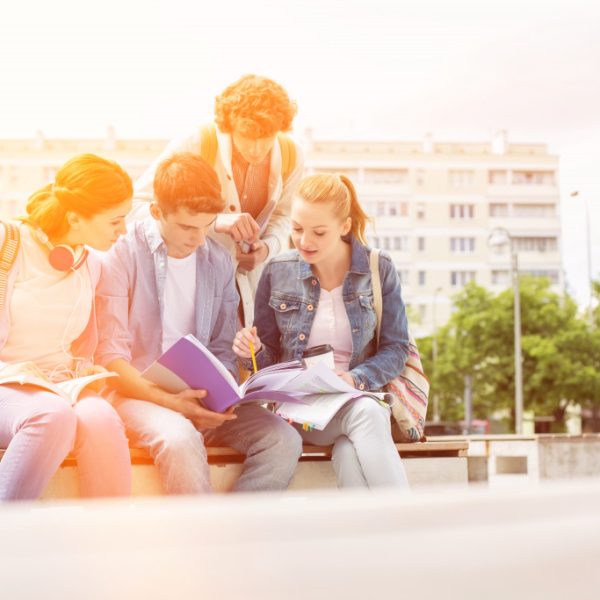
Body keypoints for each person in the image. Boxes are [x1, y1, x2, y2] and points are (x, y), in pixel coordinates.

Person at [95, 152, 302, 494]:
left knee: (283, 440)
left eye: (207, 226)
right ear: (156, 212)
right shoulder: (123, 254)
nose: (199, 238)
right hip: (138, 397)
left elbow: (221, 347)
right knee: (179, 439)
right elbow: (109, 356)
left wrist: (223, 390)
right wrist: (173, 403)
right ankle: (202, 543)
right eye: (187, 227)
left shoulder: (218, 261)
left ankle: (232, 537)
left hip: (199, 401)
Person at [233, 174, 410, 489]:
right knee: (366, 416)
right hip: (299, 412)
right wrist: (253, 353)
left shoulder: (378, 268)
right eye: (297, 229)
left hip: (357, 396)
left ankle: (363, 536)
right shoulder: (277, 272)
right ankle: (408, 527)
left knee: (348, 450)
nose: (304, 242)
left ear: (344, 226)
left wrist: (355, 379)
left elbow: (396, 348)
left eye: (318, 232)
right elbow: (270, 360)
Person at [0, 154, 133, 501]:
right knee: (50, 415)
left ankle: (106, 545)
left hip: (57, 383)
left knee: (101, 420)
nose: (124, 231)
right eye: (115, 221)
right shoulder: (8, 244)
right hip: (7, 381)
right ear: (75, 217)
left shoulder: (93, 264)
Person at [130, 74, 304, 326]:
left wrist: (268, 248)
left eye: (266, 137)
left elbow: (285, 217)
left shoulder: (292, 154)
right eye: (246, 136)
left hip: (248, 288)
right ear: (229, 125)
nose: (256, 149)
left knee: (241, 358)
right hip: (187, 282)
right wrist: (212, 222)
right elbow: (136, 206)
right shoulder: (197, 143)